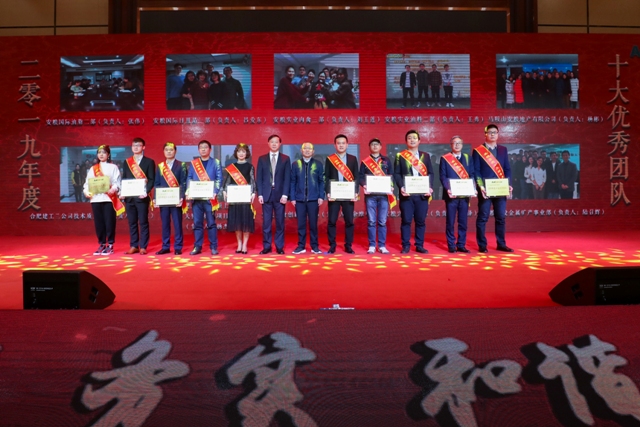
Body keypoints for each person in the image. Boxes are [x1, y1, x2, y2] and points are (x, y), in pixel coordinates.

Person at [473, 124, 513, 253]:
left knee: (500, 217)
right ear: (485, 134)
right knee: (483, 217)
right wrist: (481, 186)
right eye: (490, 132)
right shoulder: (478, 150)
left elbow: (507, 169)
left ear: (498, 134)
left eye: (495, 132)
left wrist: (508, 184)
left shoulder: (503, 150)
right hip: (486, 190)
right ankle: (482, 245)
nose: (492, 134)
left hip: (500, 189)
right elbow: (476, 171)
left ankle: (501, 244)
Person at [393, 130, 434, 254]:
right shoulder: (400, 156)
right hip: (407, 194)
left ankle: (419, 245)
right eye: (409, 138)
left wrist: (429, 187)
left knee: (420, 221)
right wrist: (401, 187)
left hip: (422, 194)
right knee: (406, 221)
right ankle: (405, 245)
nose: (412, 140)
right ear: (406, 141)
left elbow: (430, 173)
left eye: (414, 138)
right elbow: (397, 174)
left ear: (419, 141)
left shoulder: (425, 156)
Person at [83, 145, 123, 255]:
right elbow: (87, 184)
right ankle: (101, 244)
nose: (101, 154)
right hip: (96, 199)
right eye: (99, 152)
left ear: (108, 155)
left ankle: (110, 245)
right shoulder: (93, 169)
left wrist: (113, 189)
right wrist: (86, 192)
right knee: (99, 223)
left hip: (108, 199)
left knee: (109, 222)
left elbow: (117, 182)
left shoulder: (113, 167)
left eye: (104, 152)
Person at [440, 136, 475, 253]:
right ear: (451, 145)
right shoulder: (445, 158)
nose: (457, 145)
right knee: (450, 221)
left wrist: (473, 187)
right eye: (454, 143)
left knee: (463, 221)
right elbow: (443, 176)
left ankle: (461, 244)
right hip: (451, 195)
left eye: (459, 143)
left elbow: (472, 174)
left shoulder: (468, 158)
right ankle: (451, 244)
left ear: (462, 145)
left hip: (464, 196)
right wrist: (448, 189)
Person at [187, 140, 223, 255]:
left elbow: (219, 178)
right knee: (197, 223)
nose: (203, 149)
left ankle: (213, 247)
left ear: (210, 149)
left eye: (205, 147)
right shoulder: (194, 163)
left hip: (209, 199)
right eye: (201, 147)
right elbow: (189, 178)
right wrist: (189, 191)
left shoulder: (216, 162)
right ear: (198, 150)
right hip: (197, 199)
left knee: (211, 223)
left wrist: (215, 192)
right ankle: (197, 246)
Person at [359, 138, 394, 254]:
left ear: (380, 146)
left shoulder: (386, 160)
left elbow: (391, 175)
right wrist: (364, 185)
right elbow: (360, 176)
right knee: (371, 221)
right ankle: (372, 245)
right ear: (369, 147)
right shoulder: (365, 162)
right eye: (372, 144)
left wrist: (391, 186)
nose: (375, 146)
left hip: (384, 195)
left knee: (382, 221)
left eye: (377, 144)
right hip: (371, 195)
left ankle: (382, 245)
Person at [120, 137, 155, 255]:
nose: (136, 147)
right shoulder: (127, 162)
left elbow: (151, 179)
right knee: (132, 222)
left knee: (143, 222)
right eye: (134, 145)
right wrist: (123, 192)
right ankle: (134, 245)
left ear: (143, 147)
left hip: (142, 197)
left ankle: (143, 246)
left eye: (138, 145)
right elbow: (124, 179)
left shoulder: (149, 162)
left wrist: (146, 191)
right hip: (130, 198)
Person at [325, 134, 359, 254]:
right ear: (335, 145)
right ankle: (332, 245)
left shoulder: (352, 159)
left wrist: (355, 192)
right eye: (338, 143)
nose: (341, 145)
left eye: (343, 143)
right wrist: (328, 192)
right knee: (332, 221)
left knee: (349, 221)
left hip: (348, 194)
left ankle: (348, 245)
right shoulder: (330, 159)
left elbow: (356, 177)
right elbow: (326, 177)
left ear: (347, 145)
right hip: (334, 195)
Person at [257, 135, 291, 254]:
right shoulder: (262, 159)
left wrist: (285, 194)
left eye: (276, 142)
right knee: (266, 223)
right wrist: (260, 194)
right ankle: (267, 246)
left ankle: (279, 247)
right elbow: (259, 178)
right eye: (272, 142)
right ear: (268, 143)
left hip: (280, 195)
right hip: (266, 195)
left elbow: (287, 178)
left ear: (280, 144)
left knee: (280, 222)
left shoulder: (285, 159)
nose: (274, 144)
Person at [290, 142, 325, 255]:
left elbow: (321, 181)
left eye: (310, 149)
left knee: (313, 224)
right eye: (305, 148)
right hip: (299, 199)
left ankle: (315, 246)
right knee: (301, 224)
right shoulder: (296, 164)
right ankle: (301, 246)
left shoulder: (318, 164)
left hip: (313, 199)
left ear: (313, 151)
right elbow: (292, 182)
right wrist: (292, 197)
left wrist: (321, 196)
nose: (307, 150)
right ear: (301, 150)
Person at [222, 143, 256, 255]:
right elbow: (227, 182)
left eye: (243, 151)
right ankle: (239, 244)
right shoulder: (232, 167)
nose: (241, 153)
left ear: (247, 153)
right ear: (236, 153)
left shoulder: (250, 166)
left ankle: (245, 244)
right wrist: (225, 191)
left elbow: (252, 181)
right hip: (235, 198)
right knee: (237, 222)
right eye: (239, 151)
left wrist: (253, 193)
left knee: (245, 222)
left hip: (245, 198)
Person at [154, 142, 186, 255]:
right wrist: (156, 198)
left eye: (171, 150)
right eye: (166, 150)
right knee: (165, 224)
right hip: (163, 199)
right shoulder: (160, 166)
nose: (169, 152)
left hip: (176, 200)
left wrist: (181, 197)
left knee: (177, 224)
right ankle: (165, 246)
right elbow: (156, 183)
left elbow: (183, 182)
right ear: (163, 152)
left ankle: (178, 247)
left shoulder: (181, 165)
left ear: (175, 151)